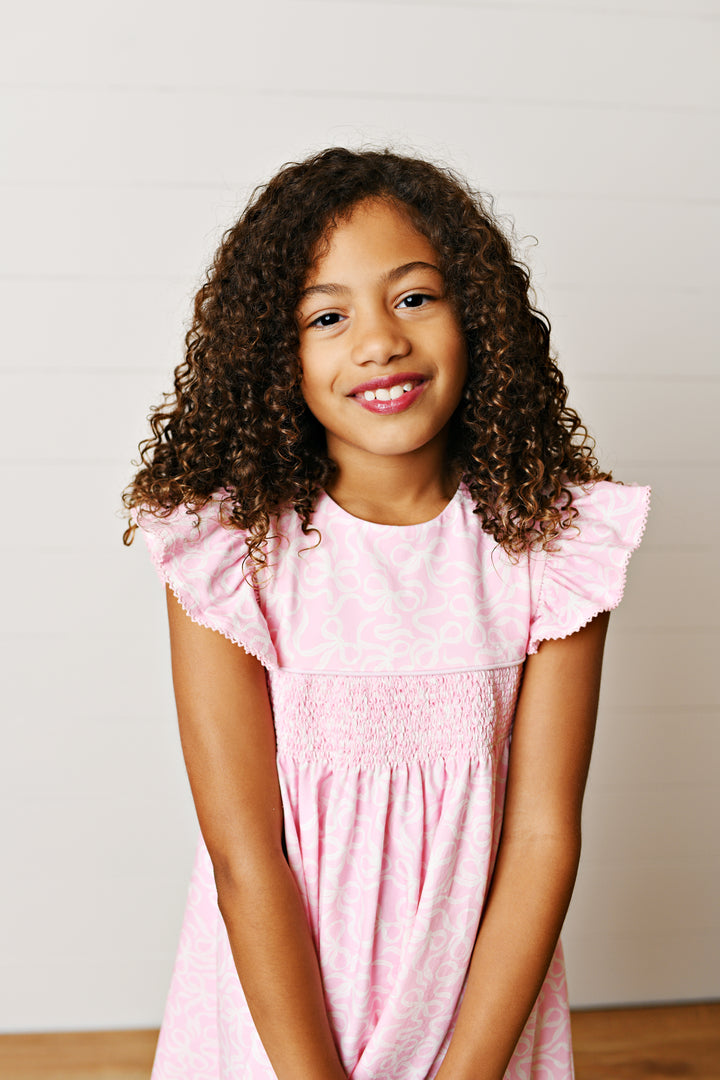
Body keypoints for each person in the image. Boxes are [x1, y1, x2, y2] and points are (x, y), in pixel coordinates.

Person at [123, 147, 650, 1080]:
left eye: (413, 297)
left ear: (475, 316)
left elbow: (541, 837)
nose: (379, 341)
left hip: (473, 1023)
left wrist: (468, 1069)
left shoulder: (550, 548)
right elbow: (245, 852)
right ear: (274, 355)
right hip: (277, 1029)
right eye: (328, 316)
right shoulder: (229, 553)